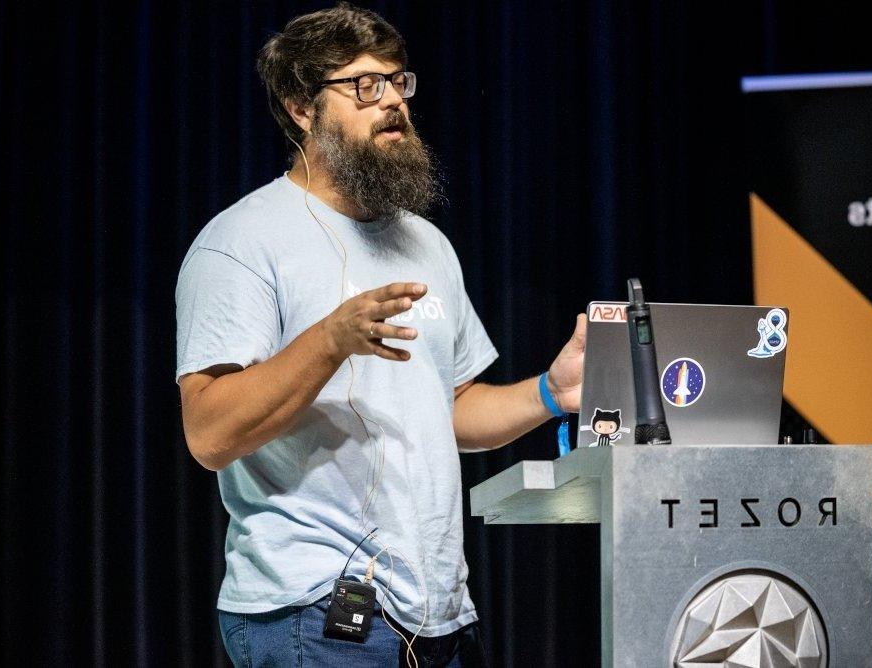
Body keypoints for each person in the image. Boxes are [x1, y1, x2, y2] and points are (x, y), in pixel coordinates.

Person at [174, 3, 587, 665]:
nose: (393, 99)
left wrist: (549, 392)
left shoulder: (424, 243)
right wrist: (330, 340)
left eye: (399, 81)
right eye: (365, 85)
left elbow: (448, 409)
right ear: (302, 108)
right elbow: (209, 433)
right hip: (313, 613)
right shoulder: (241, 243)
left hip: (441, 614)